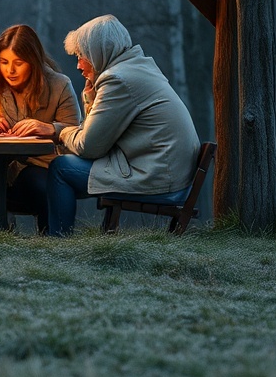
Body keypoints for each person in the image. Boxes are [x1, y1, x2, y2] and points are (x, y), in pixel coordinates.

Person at [47, 14, 200, 236]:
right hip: (168, 173)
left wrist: (58, 131)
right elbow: (98, 136)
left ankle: (57, 242)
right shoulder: (136, 68)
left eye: (81, 56)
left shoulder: (118, 79)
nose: (79, 65)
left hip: (158, 179)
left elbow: (89, 147)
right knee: (67, 166)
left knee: (60, 168)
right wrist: (90, 99)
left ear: (98, 52)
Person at [0, 24, 81, 233]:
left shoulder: (59, 85)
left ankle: (50, 241)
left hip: (39, 166)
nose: (10, 70)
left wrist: (50, 128)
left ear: (33, 61)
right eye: (4, 62)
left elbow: (76, 132)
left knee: (41, 186)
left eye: (18, 63)